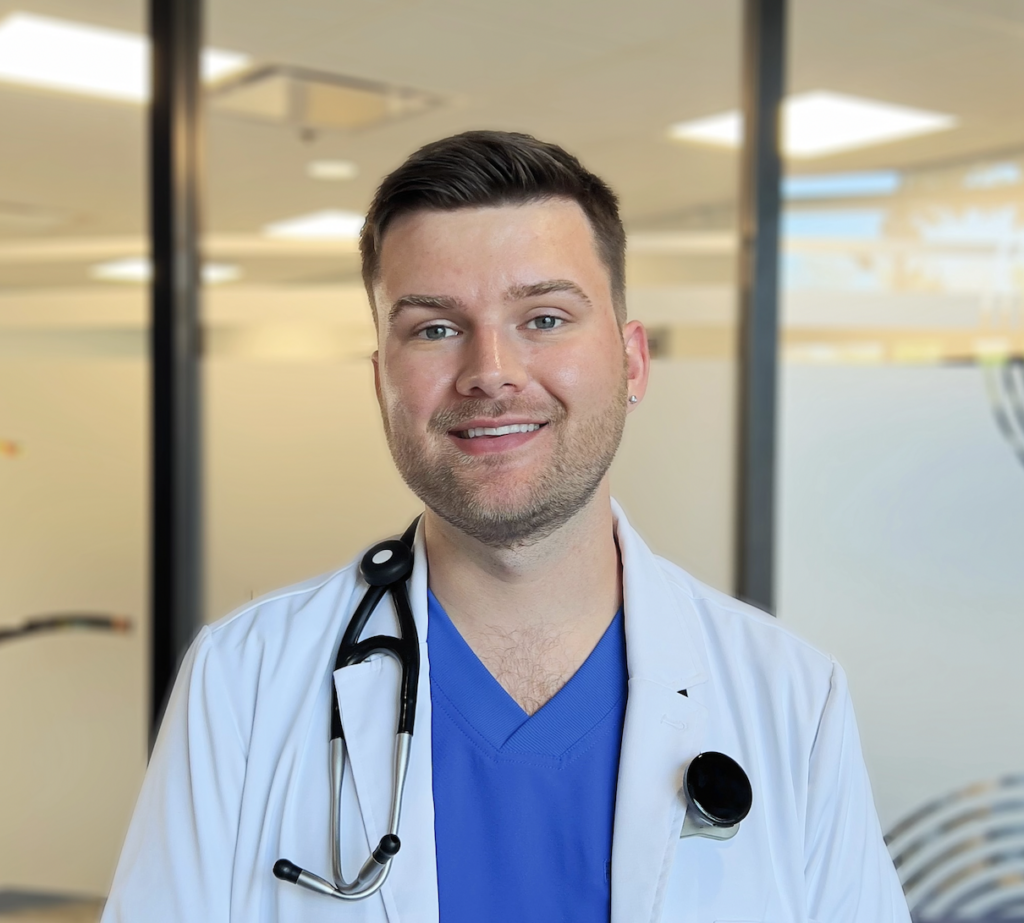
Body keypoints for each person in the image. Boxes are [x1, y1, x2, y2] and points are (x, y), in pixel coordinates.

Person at [102, 131, 910, 923]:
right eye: (435, 328)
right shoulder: (244, 683)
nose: (489, 370)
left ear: (632, 362)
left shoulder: (789, 697)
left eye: (545, 318)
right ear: (382, 378)